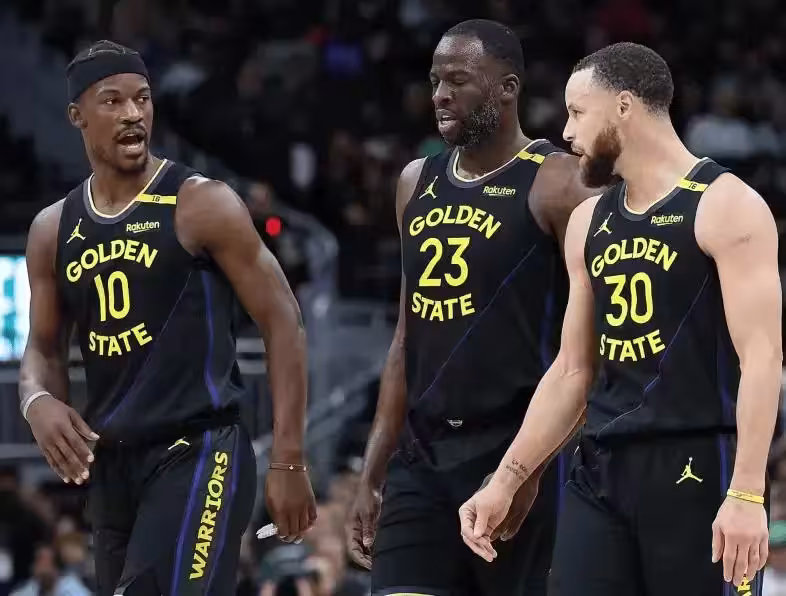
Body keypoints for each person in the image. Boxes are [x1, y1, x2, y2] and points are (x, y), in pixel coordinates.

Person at [459, 42, 781, 595]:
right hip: (600, 468)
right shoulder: (589, 221)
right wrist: (505, 480)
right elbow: (571, 371)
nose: (567, 131)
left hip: (696, 463)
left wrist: (748, 491)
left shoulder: (727, 206)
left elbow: (763, 358)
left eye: (577, 112)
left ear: (624, 106)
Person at [18, 40, 317, 596]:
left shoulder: (201, 202)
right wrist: (37, 400)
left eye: (143, 98)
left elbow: (283, 321)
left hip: (199, 450)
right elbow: (42, 348)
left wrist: (289, 459)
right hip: (114, 467)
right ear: (77, 116)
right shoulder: (52, 229)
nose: (133, 114)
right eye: (113, 101)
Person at [346, 19, 599, 596]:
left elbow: (593, 350)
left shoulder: (561, 184)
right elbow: (405, 338)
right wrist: (372, 471)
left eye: (457, 80)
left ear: (507, 88)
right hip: (422, 457)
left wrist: (530, 467)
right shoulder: (416, 181)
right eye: (436, 81)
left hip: (517, 448)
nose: (440, 94)